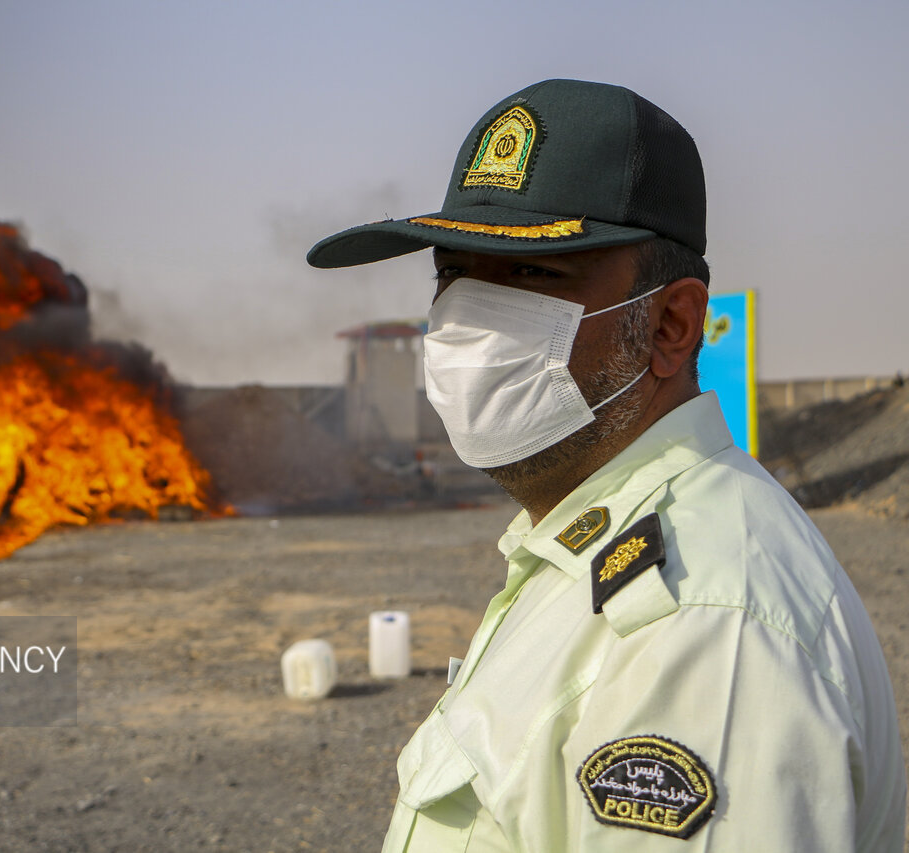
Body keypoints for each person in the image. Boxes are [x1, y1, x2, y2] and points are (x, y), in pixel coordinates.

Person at [307, 79, 906, 851]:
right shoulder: (589, 547)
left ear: (670, 325)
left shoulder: (698, 626)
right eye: (453, 273)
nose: (466, 323)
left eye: (532, 274)